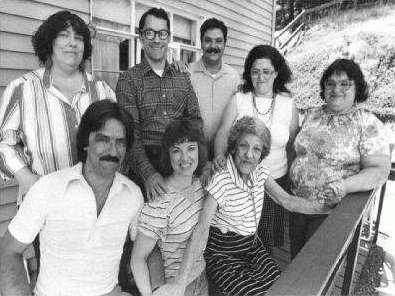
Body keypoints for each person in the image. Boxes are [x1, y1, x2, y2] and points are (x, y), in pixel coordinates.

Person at [159, 116, 333, 296]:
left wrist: (326, 209)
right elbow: (202, 230)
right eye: (244, 146)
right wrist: (179, 282)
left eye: (256, 149)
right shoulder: (222, 179)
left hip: (251, 249)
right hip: (223, 257)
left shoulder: (260, 173)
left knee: (281, 286)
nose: (249, 154)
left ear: (262, 153)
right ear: (234, 146)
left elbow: (287, 201)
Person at [0, 10, 115, 270]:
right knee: (52, 276)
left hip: (95, 206)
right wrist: (28, 180)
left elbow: (115, 142)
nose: (72, 42)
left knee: (91, 273)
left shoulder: (102, 90)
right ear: (49, 43)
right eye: (63, 35)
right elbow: (5, 142)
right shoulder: (23, 88)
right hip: (45, 207)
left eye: (79, 37)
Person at [0, 100, 144, 296]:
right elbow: (8, 251)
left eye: (120, 142)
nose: (112, 150)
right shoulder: (48, 189)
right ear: (85, 142)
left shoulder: (133, 195)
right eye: (103, 139)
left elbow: (147, 251)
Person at [289, 58, 391, 258]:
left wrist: (345, 186)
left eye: (345, 84)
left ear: (357, 88)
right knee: (296, 257)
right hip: (297, 204)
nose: (337, 89)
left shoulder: (366, 123)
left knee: (313, 268)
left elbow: (379, 170)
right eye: (331, 83)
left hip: (330, 213)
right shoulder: (313, 114)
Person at [214, 45, 299, 251]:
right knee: (237, 238)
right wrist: (218, 155)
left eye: (266, 71)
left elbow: (293, 145)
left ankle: (264, 278)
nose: (260, 77)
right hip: (239, 182)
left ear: (276, 73)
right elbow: (223, 133)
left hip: (276, 182)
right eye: (255, 71)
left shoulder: (288, 105)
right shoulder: (239, 99)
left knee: (266, 241)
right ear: (249, 73)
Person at [116, 7, 201, 202]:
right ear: (141, 37)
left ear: (169, 37)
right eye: (150, 33)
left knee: (182, 224)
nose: (156, 39)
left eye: (162, 33)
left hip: (181, 160)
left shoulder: (182, 78)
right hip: (145, 163)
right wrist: (148, 174)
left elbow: (195, 122)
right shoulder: (128, 80)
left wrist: (188, 160)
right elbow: (130, 133)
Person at [131, 118, 208, 296]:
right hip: (176, 288)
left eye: (191, 148)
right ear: (168, 155)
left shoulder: (200, 185)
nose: (185, 158)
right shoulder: (160, 201)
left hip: (201, 278)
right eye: (176, 151)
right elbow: (137, 259)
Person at [188, 18, 240, 159]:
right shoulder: (187, 73)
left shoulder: (234, 77)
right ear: (201, 42)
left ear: (225, 43)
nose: (213, 46)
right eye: (208, 40)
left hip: (224, 153)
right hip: (193, 154)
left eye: (218, 41)